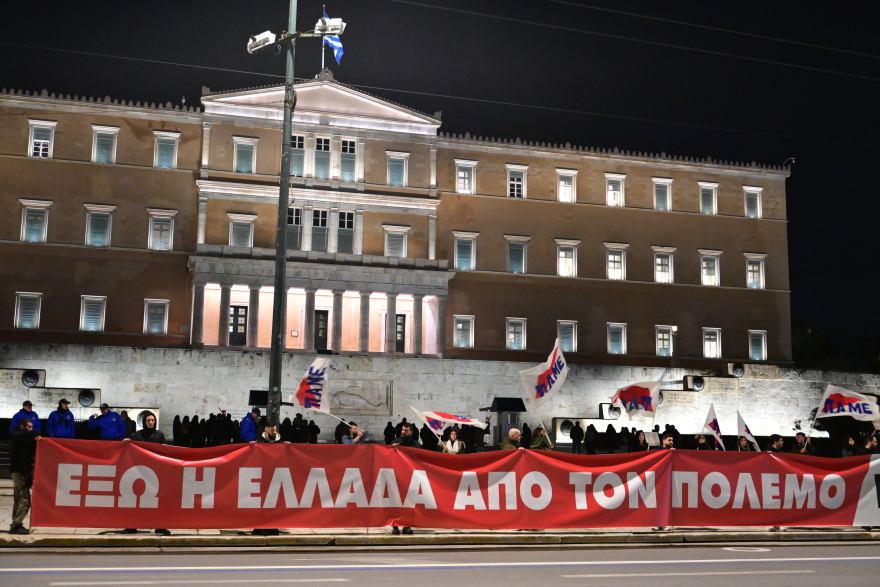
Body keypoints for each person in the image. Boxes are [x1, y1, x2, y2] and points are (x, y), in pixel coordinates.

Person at [123, 413, 170, 536]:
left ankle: (159, 526)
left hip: (155, 472)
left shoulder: (159, 435)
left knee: (156, 500)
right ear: (144, 421)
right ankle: (132, 526)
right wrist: (128, 442)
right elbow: (131, 445)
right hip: (140, 471)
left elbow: (164, 450)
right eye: (148, 420)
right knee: (136, 500)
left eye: (153, 420)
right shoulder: (138, 435)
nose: (151, 422)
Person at [9, 417, 41, 535]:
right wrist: (35, 435)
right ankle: (16, 525)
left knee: (18, 499)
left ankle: (16, 524)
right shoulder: (17, 435)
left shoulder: (23, 441)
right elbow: (37, 432)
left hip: (21, 472)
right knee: (25, 500)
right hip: (19, 472)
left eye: (31, 427)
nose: (31, 429)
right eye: (28, 427)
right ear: (22, 427)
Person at [390, 423, 421, 535]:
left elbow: (419, 458)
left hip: (410, 478)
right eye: (403, 430)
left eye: (406, 430)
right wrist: (393, 449)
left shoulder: (416, 444)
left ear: (411, 432)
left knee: (409, 503)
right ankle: (395, 525)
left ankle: (406, 525)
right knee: (395, 502)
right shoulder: (395, 441)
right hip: (397, 477)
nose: (403, 432)